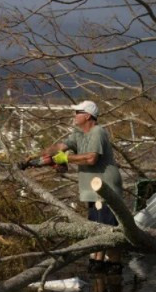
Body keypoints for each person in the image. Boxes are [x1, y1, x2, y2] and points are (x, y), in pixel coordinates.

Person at [41, 100, 124, 274]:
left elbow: (90, 158)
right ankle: (111, 270)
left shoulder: (97, 132)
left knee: (103, 231)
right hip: (92, 191)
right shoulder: (78, 134)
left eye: (77, 112)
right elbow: (60, 147)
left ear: (87, 116)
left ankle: (98, 267)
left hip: (105, 189)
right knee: (106, 229)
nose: (74, 115)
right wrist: (45, 155)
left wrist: (65, 159)